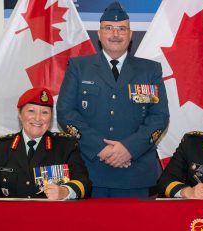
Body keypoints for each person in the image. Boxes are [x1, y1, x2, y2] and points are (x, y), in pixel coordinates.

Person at [57, 1, 169, 197]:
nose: (115, 34)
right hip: (89, 172)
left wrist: (129, 149)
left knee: (135, 228)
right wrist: (101, 149)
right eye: (108, 28)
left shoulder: (150, 70)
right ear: (99, 34)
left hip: (136, 172)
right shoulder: (78, 67)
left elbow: (159, 117)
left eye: (121, 29)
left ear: (130, 34)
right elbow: (66, 113)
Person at [0, 87, 92, 200]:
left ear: (51, 116)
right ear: (19, 113)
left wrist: (65, 191)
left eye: (44, 112)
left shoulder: (65, 146)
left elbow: (84, 183)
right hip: (11, 216)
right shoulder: (0, 148)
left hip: (51, 216)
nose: (38, 118)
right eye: (31, 111)